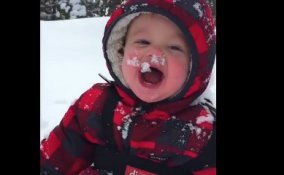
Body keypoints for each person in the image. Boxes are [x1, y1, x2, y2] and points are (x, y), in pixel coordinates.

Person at [40, 0, 216, 174]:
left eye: (174, 47)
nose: (154, 54)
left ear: (196, 67)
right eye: (143, 42)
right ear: (121, 50)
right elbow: (54, 161)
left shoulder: (204, 134)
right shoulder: (97, 106)